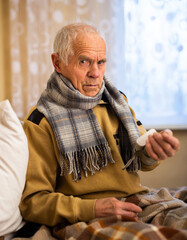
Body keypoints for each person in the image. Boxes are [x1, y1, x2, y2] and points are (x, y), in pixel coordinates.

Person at [19, 23, 180, 231]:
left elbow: (142, 159)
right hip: (85, 218)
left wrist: (153, 150)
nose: (95, 73)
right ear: (57, 63)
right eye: (84, 61)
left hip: (136, 203)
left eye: (101, 62)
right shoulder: (41, 121)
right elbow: (33, 203)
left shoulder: (117, 102)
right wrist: (93, 208)